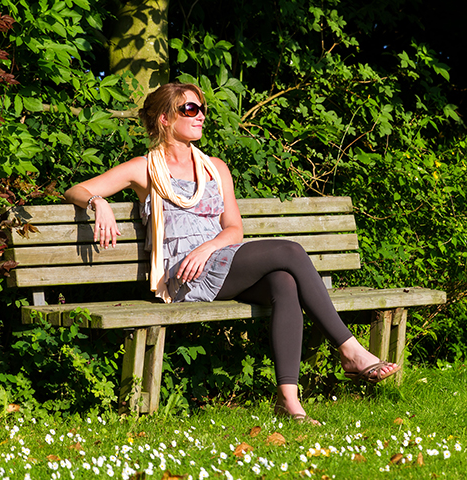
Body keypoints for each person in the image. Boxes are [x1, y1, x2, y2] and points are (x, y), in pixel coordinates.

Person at [65, 82, 400, 424]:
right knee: (291, 250)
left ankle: (289, 402)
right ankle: (349, 350)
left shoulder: (216, 167)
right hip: (184, 275)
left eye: (201, 109)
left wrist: (207, 248)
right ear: (165, 119)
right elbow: (76, 189)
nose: (200, 116)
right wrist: (98, 202)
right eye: (189, 110)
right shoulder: (144, 168)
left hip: (218, 259)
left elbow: (234, 229)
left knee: (284, 282)